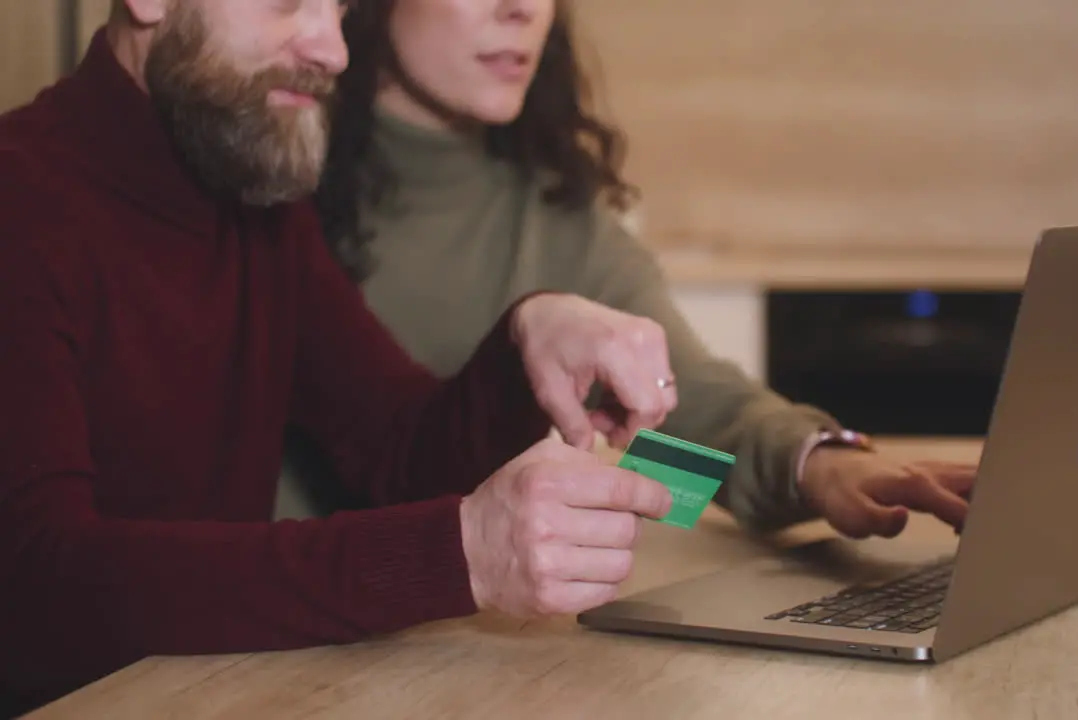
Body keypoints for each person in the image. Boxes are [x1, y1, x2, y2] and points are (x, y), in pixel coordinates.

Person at [0, 0, 684, 713]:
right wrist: (458, 553)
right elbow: (34, 591)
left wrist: (526, 340)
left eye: (341, 6)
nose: (334, 50)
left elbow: (397, 449)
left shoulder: (250, 197)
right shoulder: (19, 201)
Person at [291, 0, 978, 538]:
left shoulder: (555, 208)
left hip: (455, 640)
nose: (523, 8)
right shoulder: (267, 187)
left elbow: (672, 423)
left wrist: (819, 466)